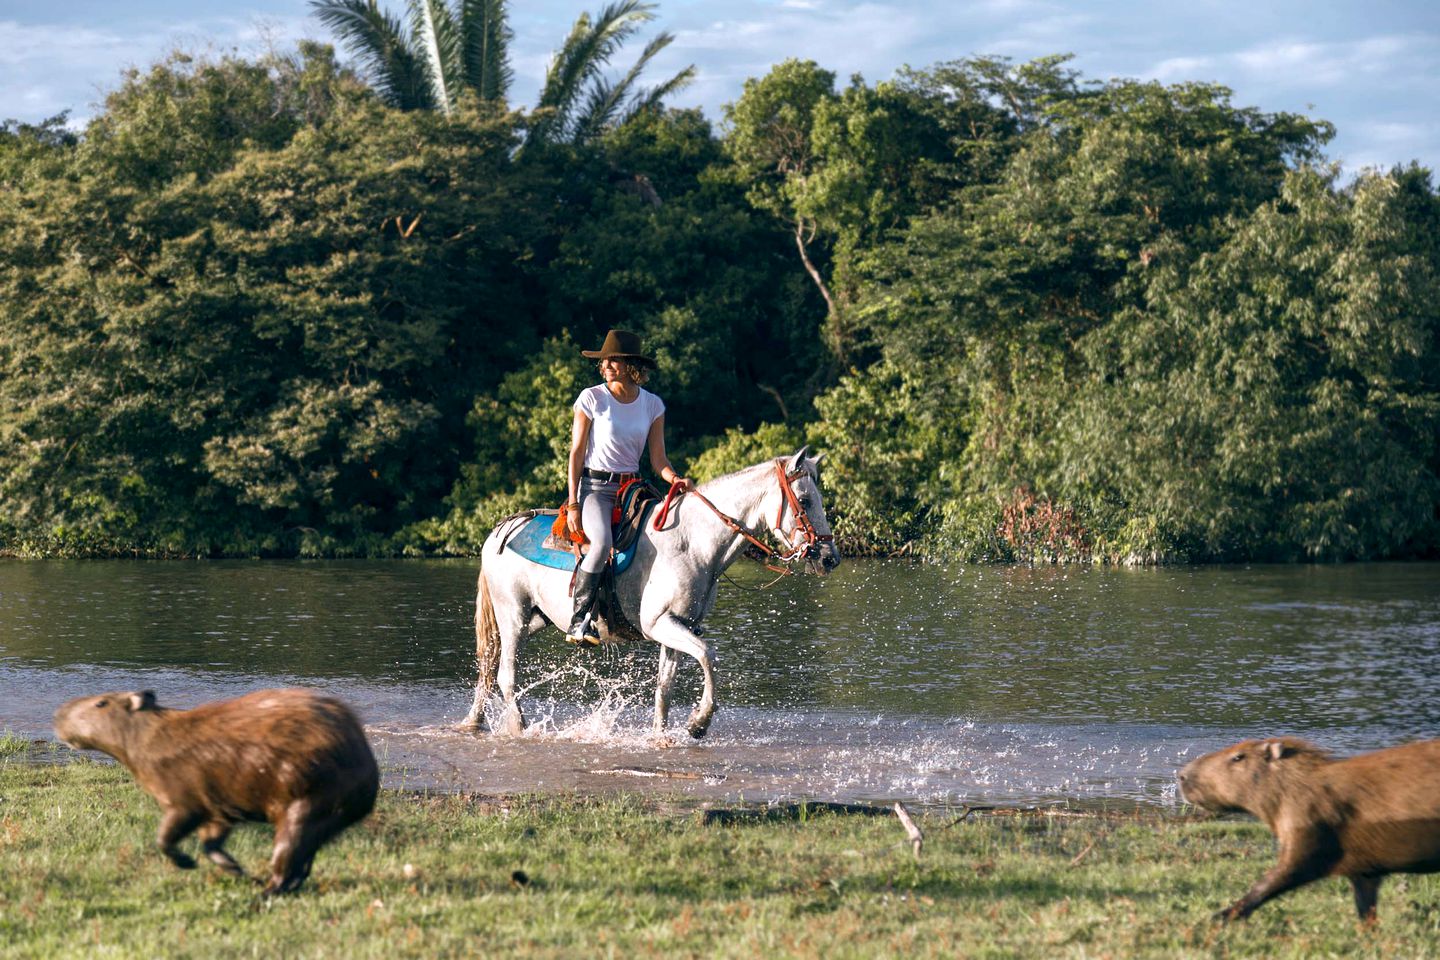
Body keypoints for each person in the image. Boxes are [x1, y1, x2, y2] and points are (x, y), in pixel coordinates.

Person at [565, 329, 692, 645]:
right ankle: (579, 621)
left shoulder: (652, 405)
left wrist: (675, 479)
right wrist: (573, 503)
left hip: (633, 491)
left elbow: (658, 460)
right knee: (600, 544)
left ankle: (668, 613)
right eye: (605, 360)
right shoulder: (592, 398)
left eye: (614, 360)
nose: (606, 365)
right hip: (595, 488)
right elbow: (576, 453)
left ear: (631, 365)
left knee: (666, 539)